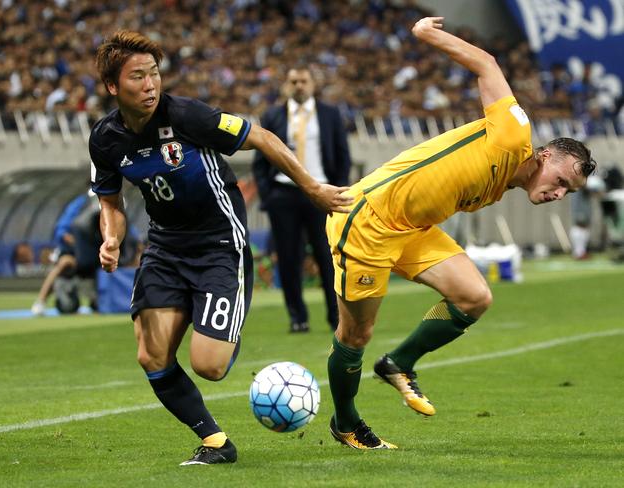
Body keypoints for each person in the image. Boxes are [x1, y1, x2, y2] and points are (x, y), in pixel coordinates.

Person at [325, 17, 597, 450]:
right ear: (544, 155)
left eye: (569, 191)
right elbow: (487, 65)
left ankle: (399, 363)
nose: (559, 192)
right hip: (368, 220)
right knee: (355, 334)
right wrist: (427, 34)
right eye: (560, 179)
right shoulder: (513, 137)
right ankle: (346, 422)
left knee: (475, 296)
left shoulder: (508, 180)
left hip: (413, 230)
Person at [89, 30, 352, 466]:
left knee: (208, 365)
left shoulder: (188, 116)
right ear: (113, 86)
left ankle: (224, 327)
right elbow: (109, 200)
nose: (150, 84)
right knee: (150, 354)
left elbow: (264, 138)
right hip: (165, 247)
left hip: (218, 244)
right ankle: (215, 442)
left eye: (154, 73)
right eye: (138, 77)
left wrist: (312, 189)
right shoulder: (105, 138)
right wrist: (111, 237)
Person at [253, 65, 352, 333]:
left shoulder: (330, 115)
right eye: (293, 81)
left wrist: (339, 190)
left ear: (312, 84)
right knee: (288, 258)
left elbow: (343, 156)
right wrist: (269, 195)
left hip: (321, 192)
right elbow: (260, 161)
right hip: (284, 194)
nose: (299, 86)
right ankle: (298, 317)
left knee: (328, 257)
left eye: (303, 81)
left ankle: (336, 317)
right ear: (287, 84)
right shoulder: (273, 116)